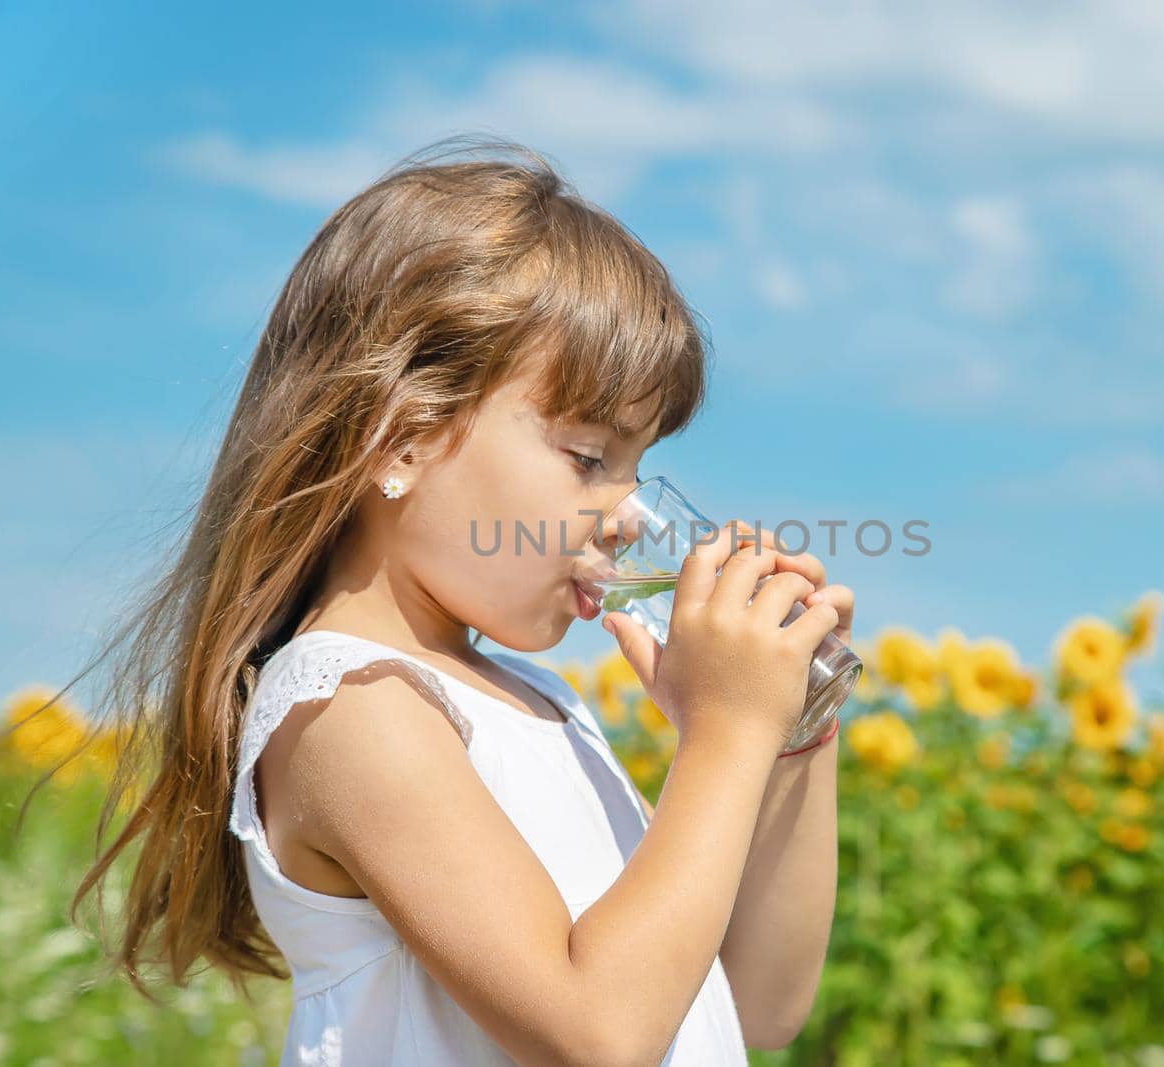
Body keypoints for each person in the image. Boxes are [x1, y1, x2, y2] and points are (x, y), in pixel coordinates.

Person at [67, 133, 855, 1065]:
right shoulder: (349, 706)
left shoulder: (541, 704)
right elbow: (598, 1031)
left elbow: (753, 1006)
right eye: (589, 457)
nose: (629, 518)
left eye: (640, 469)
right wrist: (725, 734)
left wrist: (790, 731)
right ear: (397, 439)